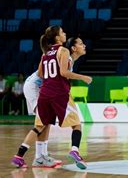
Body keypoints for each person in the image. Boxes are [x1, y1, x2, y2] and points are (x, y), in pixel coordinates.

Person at [11, 27, 92, 170]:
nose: (65, 33)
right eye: (62, 32)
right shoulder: (63, 51)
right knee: (75, 124)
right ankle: (74, 150)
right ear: (57, 38)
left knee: (42, 124)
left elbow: (43, 74)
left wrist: (49, 85)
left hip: (44, 91)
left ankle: (27, 156)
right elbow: (63, 72)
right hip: (46, 90)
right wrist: (83, 78)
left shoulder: (46, 54)